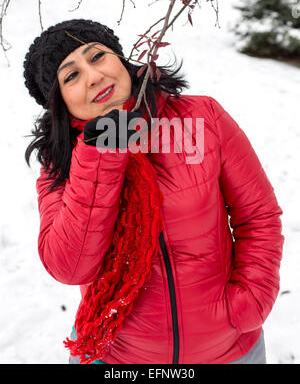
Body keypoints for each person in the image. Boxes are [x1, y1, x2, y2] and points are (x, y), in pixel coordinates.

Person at [23, 18, 284, 365]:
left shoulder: (202, 117)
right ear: (59, 102)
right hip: (116, 357)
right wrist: (102, 149)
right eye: (71, 76)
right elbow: (70, 267)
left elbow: (258, 215)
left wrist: (248, 303)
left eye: (98, 57)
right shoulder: (63, 161)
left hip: (228, 351)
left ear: (121, 60)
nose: (94, 76)